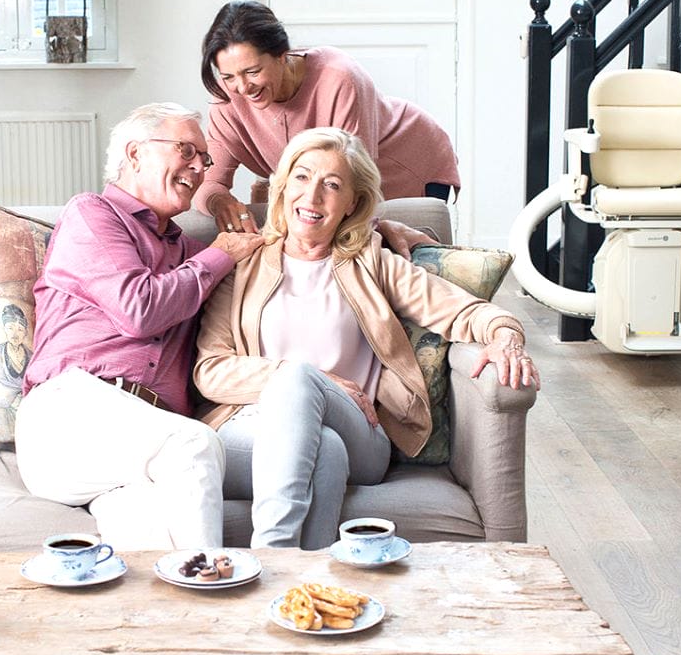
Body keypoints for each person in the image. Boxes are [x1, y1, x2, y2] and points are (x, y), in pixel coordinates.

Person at [192, 127, 539, 551]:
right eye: (301, 178)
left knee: (307, 392)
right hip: (252, 425)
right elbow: (209, 370)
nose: (312, 197)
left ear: (353, 203)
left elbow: (464, 310)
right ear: (282, 187)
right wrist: (313, 379)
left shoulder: (372, 262)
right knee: (326, 449)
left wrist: (506, 335)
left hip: (362, 430)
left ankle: (274, 558)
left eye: (332, 185)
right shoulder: (242, 266)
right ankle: (313, 588)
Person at [14, 102, 265, 550]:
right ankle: (215, 589)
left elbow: (290, 239)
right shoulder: (91, 216)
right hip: (67, 414)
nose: (199, 167)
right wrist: (220, 253)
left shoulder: (190, 252)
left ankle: (187, 617)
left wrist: (380, 228)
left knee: (152, 545)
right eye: (186, 149)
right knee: (195, 445)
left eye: (204, 159)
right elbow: (140, 309)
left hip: (138, 444)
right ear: (135, 154)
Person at [195, 0, 461, 234]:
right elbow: (209, 182)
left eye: (252, 71)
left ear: (281, 55)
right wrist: (221, 203)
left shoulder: (339, 78)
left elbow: (353, 182)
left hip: (409, 158)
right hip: (339, 182)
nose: (242, 88)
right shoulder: (227, 101)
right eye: (228, 76)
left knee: (387, 248)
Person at [0, 303, 32, 440]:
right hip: (1, 409)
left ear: (25, 332)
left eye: (20, 329)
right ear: (4, 329)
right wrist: (12, 398)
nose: (15, 335)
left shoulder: (31, 356)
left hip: (25, 408)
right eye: (10, 328)